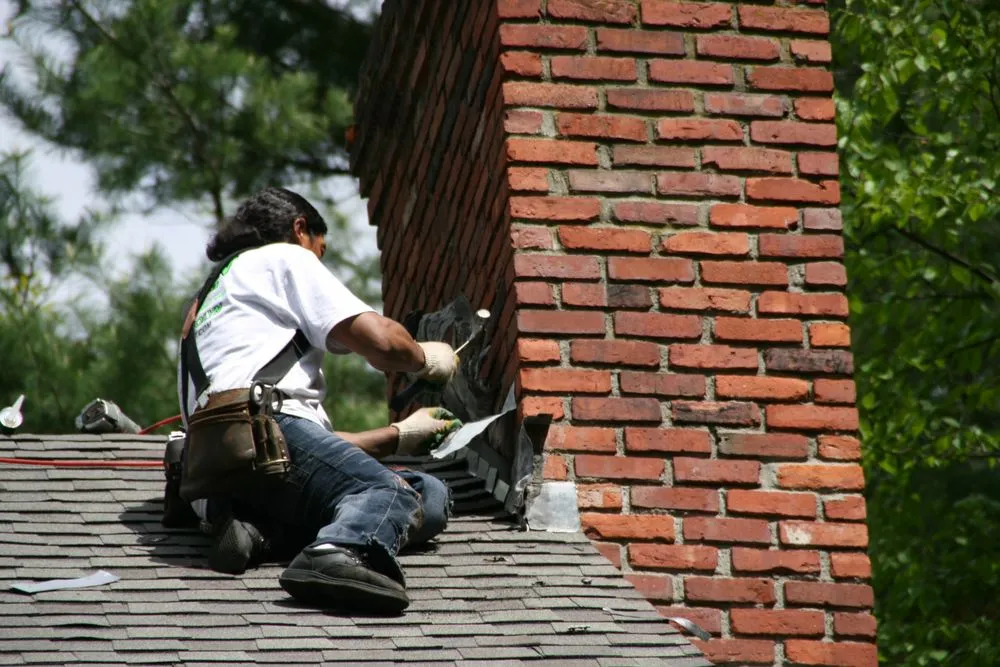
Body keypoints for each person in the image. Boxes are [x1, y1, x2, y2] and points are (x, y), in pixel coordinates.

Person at [176, 187, 462, 614]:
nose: (319, 263)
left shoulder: (201, 306)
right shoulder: (284, 257)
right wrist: (425, 358)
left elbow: (312, 454)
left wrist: (398, 435)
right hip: (269, 435)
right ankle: (334, 552)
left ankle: (255, 530)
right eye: (320, 250)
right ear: (299, 230)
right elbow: (381, 341)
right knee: (391, 493)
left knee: (430, 495)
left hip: (220, 467)